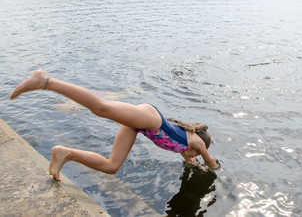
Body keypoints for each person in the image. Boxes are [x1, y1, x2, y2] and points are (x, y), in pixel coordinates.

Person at [9, 69, 219, 181]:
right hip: (151, 119)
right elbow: (211, 164)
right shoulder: (197, 143)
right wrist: (217, 168)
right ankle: (46, 80)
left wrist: (193, 163)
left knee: (112, 166)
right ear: (200, 146)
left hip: (141, 126)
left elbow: (192, 161)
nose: (194, 157)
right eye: (197, 155)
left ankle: (65, 153)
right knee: (101, 108)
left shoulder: (186, 150)